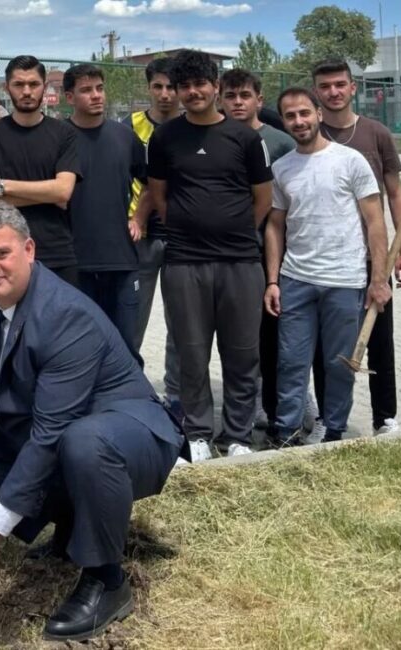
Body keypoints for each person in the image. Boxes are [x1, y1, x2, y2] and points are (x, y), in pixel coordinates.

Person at [0, 202, 184, 641]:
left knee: (82, 443)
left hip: (130, 434)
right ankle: (73, 529)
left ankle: (106, 579)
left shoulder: (65, 313)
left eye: (1, 254)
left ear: (29, 249)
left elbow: (50, 433)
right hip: (70, 433)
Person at [146, 50, 272, 460]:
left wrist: (232, 230)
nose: (193, 92)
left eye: (201, 84)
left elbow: (262, 199)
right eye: (185, 86)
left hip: (240, 262)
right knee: (191, 351)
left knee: (241, 352)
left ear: (215, 87)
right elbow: (160, 196)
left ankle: (236, 435)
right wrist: (190, 225)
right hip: (184, 262)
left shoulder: (246, 138)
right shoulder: (164, 138)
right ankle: (197, 433)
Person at [264, 87, 391, 446]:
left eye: (304, 113)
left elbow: (375, 222)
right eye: (290, 116)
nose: (298, 121)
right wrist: (273, 280)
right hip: (296, 280)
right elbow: (275, 225)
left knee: (340, 365)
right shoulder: (283, 168)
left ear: (318, 114)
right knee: (291, 362)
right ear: (285, 121)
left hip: (345, 281)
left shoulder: (350, 161)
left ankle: (334, 431)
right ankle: (286, 433)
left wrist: (377, 279)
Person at [310, 58, 401, 438]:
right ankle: (325, 415)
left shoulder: (376, 133)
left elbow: (396, 194)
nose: (334, 92)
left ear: (353, 88)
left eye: (340, 84)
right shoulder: (307, 133)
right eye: (325, 86)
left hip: (373, 257)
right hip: (325, 260)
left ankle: (384, 417)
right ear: (316, 92)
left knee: (379, 340)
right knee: (326, 344)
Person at [219, 68, 311, 434]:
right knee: (243, 337)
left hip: (273, 252)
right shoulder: (214, 137)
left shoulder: (281, 142)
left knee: (278, 334)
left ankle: (293, 405)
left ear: (259, 99)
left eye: (245, 95)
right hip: (228, 253)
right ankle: (251, 403)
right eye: (231, 95)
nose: (238, 102)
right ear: (220, 99)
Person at [63, 64, 144, 361]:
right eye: (86, 90)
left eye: (99, 88)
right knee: (79, 346)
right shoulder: (59, 137)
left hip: (121, 259)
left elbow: (151, 182)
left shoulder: (124, 136)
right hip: (74, 261)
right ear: (70, 97)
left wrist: (139, 218)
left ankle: (129, 405)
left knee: (125, 347)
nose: (96, 96)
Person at [0, 55, 79, 283]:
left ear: (44, 86)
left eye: (33, 84)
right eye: (19, 84)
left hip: (57, 251)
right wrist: (48, 194)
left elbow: (63, 192)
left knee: (58, 319)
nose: (27, 91)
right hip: (6, 252)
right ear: (6, 87)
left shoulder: (64, 133)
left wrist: (3, 186)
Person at [125, 57, 182, 417]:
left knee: (180, 323)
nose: (165, 94)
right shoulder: (128, 127)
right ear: (148, 88)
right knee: (132, 321)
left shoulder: (192, 126)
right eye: (158, 86)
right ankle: (129, 388)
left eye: (172, 87)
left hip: (181, 236)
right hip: (138, 237)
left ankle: (176, 394)